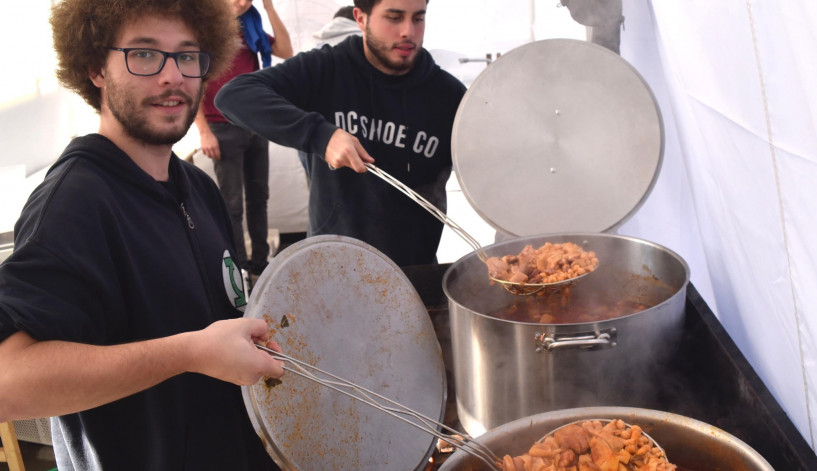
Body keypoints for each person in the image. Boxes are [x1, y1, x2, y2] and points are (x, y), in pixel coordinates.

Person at [0, 1, 285, 469]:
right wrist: (188, 353)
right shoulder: (75, 203)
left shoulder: (199, 188)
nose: (173, 76)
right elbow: (8, 381)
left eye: (187, 55)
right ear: (95, 67)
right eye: (145, 55)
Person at [216, 0, 467, 267]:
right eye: (394, 18)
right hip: (331, 266)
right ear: (360, 18)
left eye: (418, 19)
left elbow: (492, 175)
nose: (408, 31)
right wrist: (320, 136)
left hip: (414, 270)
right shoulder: (327, 68)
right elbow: (233, 96)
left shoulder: (448, 96)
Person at [195, 0, 293, 278]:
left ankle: (260, 265)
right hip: (221, 127)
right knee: (232, 204)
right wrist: (203, 131)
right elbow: (193, 79)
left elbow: (286, 51)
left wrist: (270, 9)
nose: (241, 3)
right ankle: (237, 268)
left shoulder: (251, 24)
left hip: (254, 123)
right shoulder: (205, 28)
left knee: (259, 196)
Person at [297, 5, 361, 180]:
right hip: (350, 134)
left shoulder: (309, 46)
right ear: (359, 18)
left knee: (318, 193)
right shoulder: (364, 43)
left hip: (311, 134)